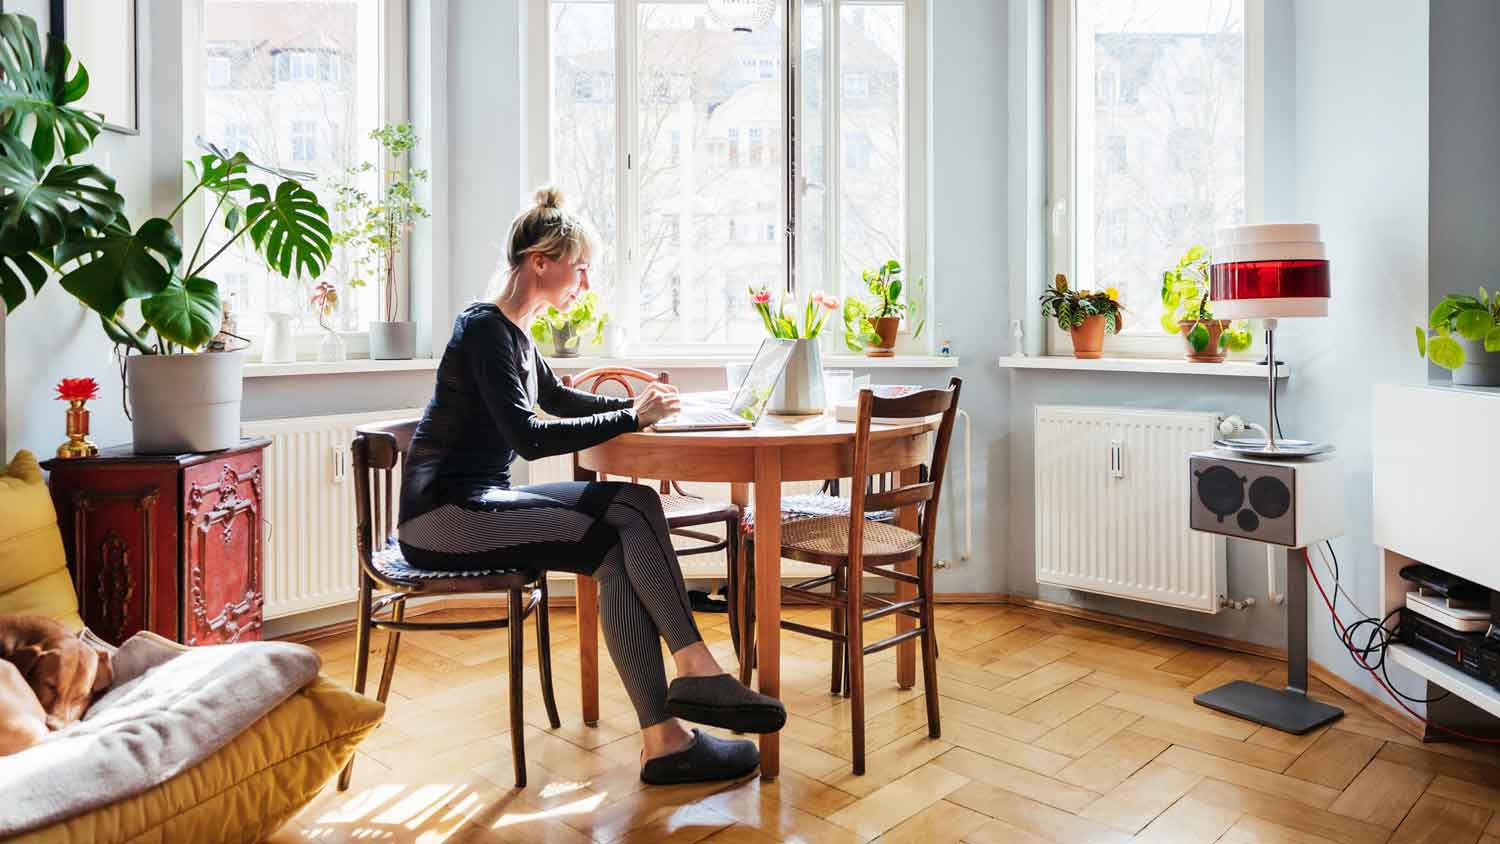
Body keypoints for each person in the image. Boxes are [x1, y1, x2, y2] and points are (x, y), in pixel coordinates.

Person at [397, 187, 785, 785]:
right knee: (631, 503)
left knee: (619, 541)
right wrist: (632, 417)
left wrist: (639, 405)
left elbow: (556, 398)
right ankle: (694, 671)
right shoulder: (482, 330)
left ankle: (666, 739)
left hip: (480, 504)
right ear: (540, 262)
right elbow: (529, 436)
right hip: (443, 519)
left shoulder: (516, 335)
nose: (584, 283)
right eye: (579, 269)